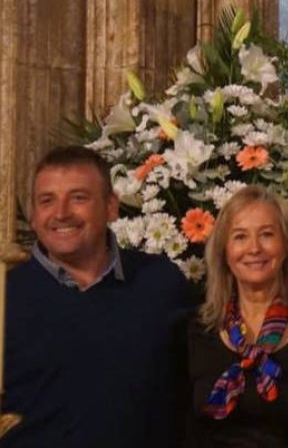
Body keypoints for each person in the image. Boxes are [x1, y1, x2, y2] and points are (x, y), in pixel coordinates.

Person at [2, 145, 193, 448]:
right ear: (35, 216)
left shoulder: (161, 283)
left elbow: (191, 394)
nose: (61, 213)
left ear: (111, 207)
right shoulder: (5, 297)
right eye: (47, 200)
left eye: (78, 198)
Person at [185, 185, 288, 447]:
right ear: (224, 252)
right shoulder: (196, 329)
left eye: (267, 235)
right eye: (240, 237)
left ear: (285, 247)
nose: (254, 248)